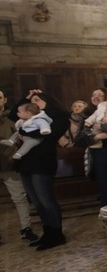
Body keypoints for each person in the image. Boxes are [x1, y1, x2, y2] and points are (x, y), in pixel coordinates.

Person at [12, 90, 70, 250]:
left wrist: (23, 132)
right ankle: (47, 232)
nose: (33, 102)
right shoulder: (28, 118)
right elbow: (12, 115)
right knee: (36, 202)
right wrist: (26, 98)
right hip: (26, 162)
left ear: (47, 101)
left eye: (37, 99)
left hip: (42, 161)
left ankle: (57, 234)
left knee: (46, 199)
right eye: (32, 100)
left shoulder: (56, 115)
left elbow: (49, 135)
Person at [0, 90, 35, 242]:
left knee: (19, 198)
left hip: (9, 163)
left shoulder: (14, 117)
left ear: (4, 99)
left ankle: (26, 228)